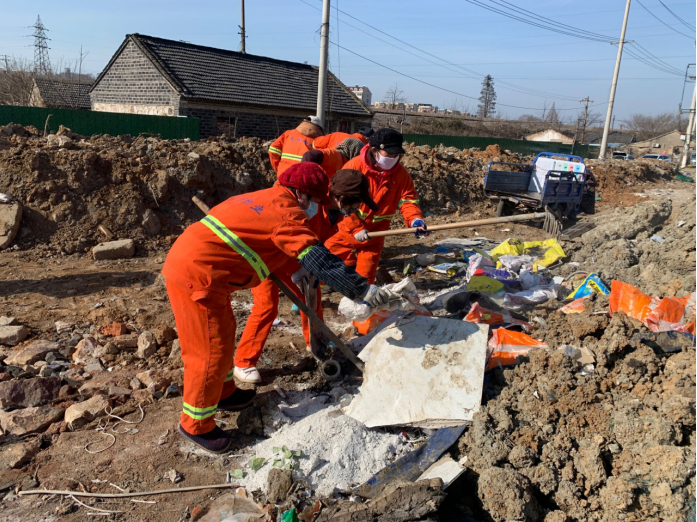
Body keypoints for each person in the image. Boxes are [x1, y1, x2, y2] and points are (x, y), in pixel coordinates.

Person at [162, 162, 389, 453]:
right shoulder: (286, 213)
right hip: (197, 275)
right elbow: (318, 258)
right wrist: (362, 290)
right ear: (302, 194)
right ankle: (196, 424)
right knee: (209, 351)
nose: (316, 206)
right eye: (315, 199)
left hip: (208, 271)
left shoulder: (270, 197)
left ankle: (224, 393)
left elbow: (266, 243)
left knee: (224, 333)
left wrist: (296, 270)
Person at [233, 169, 379, 383]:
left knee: (311, 294)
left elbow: (332, 233)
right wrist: (298, 268)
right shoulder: (309, 205)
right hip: (266, 253)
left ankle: (315, 341)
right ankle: (244, 362)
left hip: (298, 257)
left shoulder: (336, 211)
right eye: (355, 204)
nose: (356, 209)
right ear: (341, 197)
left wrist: (357, 230)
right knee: (266, 306)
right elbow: (286, 235)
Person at [324, 128, 428, 284]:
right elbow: (342, 202)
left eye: (396, 155)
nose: (393, 158)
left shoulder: (400, 174)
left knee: (366, 278)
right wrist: (356, 228)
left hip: (376, 234)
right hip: (345, 231)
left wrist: (415, 219)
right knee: (327, 270)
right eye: (389, 154)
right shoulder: (354, 168)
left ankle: (360, 297)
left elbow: (408, 200)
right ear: (374, 150)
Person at [300, 137, 365, 178]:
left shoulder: (345, 160)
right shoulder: (334, 154)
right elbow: (310, 155)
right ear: (354, 151)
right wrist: (306, 177)